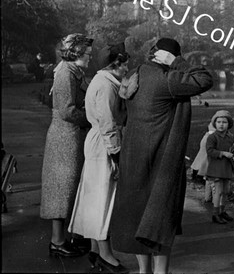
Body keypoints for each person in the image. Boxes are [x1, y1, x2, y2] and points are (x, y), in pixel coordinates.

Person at [110, 38, 213, 274]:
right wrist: (177, 62)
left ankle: (144, 271)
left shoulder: (134, 74)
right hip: (161, 160)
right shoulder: (168, 79)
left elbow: (120, 112)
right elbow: (205, 79)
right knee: (161, 218)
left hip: (133, 156)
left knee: (137, 216)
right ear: (167, 56)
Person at [68, 43, 130, 273]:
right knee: (102, 197)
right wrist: (116, 153)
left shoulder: (105, 81)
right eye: (125, 65)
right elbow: (107, 122)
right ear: (115, 64)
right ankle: (106, 254)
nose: (126, 69)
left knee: (96, 196)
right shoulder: (105, 85)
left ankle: (96, 250)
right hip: (103, 143)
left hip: (98, 141)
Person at [40, 33, 93, 258]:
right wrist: (92, 118)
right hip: (65, 138)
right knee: (62, 189)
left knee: (67, 188)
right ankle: (57, 241)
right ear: (76, 53)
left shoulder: (72, 71)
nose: (90, 57)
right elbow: (67, 110)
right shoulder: (65, 73)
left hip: (70, 136)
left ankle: (65, 238)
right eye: (87, 54)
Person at [205, 110, 234, 224]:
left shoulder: (231, 137)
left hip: (227, 167)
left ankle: (222, 211)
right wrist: (223, 153)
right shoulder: (212, 137)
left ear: (228, 124)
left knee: (225, 191)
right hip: (216, 168)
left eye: (224, 122)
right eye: (219, 122)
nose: (221, 124)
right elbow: (210, 151)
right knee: (218, 191)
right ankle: (215, 214)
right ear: (215, 123)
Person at [190, 121, 216, 203]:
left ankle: (207, 198)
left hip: (198, 165)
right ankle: (214, 201)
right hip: (204, 166)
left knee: (208, 181)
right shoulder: (212, 138)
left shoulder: (206, 135)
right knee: (213, 182)